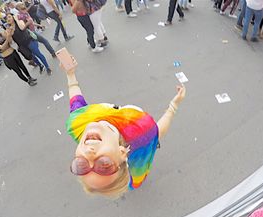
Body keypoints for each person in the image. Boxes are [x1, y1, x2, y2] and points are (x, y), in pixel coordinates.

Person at [63, 56, 186, 198]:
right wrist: (174, 106)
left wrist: (70, 74)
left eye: (81, 165)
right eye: (104, 164)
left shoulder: (78, 124)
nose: (89, 153)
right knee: (136, 172)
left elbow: (76, 102)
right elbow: (157, 132)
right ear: (122, 153)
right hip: (135, 150)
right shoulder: (141, 133)